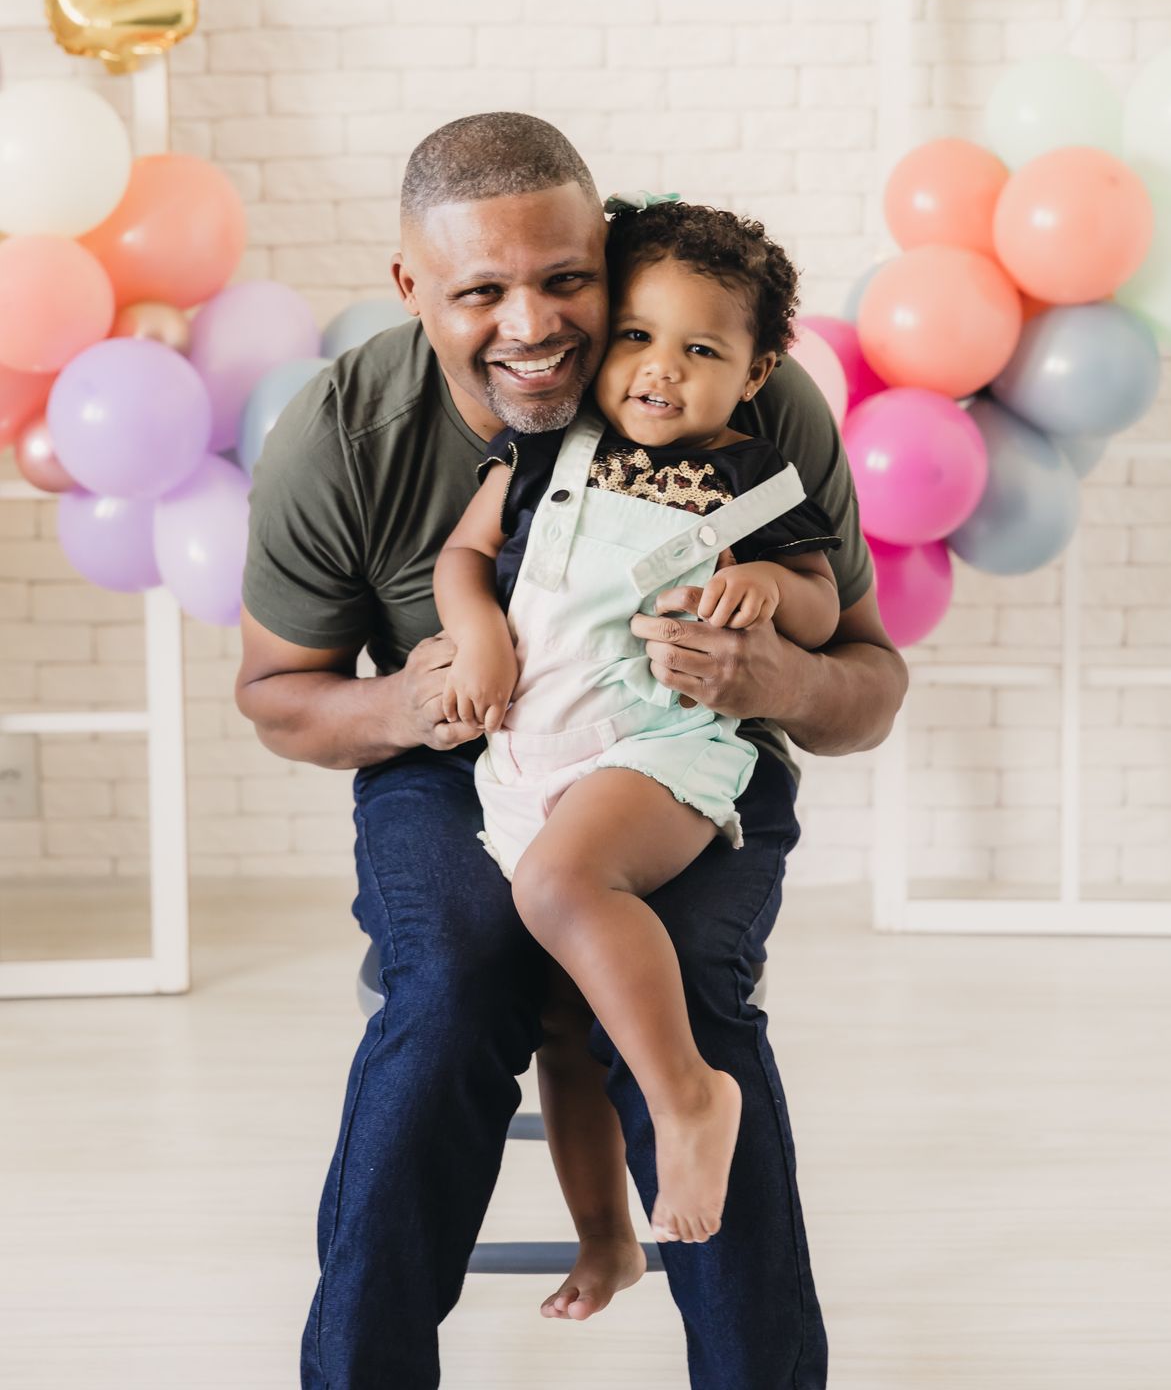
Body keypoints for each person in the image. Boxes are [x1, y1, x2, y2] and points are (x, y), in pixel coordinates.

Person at [235, 112, 907, 1390]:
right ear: (410, 287)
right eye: (480, 292)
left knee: (690, 992)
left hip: (683, 749)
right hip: (468, 755)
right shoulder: (348, 434)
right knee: (449, 987)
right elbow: (278, 698)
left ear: (607, 250)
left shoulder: (737, 396)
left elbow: (867, 684)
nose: (534, 326)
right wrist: (418, 698)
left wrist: (778, 672)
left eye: (564, 279)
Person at [435, 197, 843, 1275]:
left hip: (655, 747)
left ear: (754, 374)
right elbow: (463, 558)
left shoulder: (754, 477)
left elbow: (821, 604)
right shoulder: (544, 446)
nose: (661, 369)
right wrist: (476, 634)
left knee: (562, 885)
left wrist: (766, 588)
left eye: (701, 350)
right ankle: (607, 1237)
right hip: (527, 754)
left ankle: (691, 1097)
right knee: (566, 1021)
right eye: (637, 335)